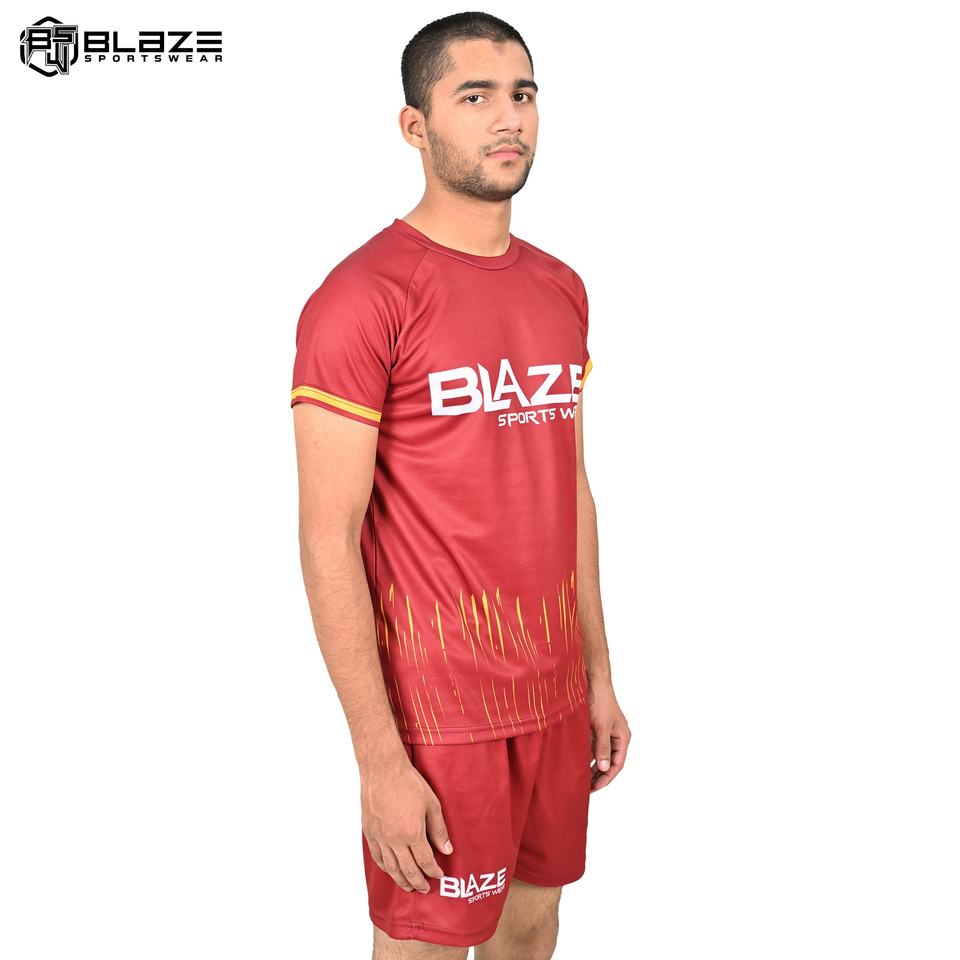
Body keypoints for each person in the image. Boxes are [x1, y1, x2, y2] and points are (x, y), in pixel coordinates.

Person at [290, 12, 630, 959]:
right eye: (474, 96)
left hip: (554, 697)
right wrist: (378, 758)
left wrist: (599, 676)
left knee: (533, 925)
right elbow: (326, 537)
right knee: (427, 946)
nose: (507, 117)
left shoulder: (561, 287)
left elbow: (569, 492)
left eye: (523, 94)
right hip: (440, 715)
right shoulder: (363, 297)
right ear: (415, 126)